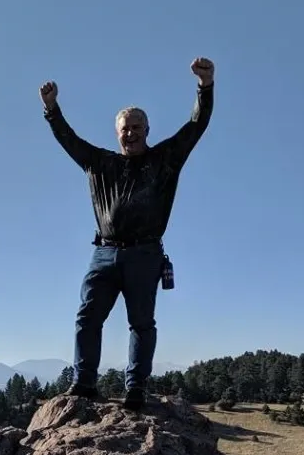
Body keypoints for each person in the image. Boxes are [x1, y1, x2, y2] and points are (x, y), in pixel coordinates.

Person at [39, 57, 214, 410]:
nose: (131, 132)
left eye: (137, 127)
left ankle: (135, 389)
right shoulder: (99, 163)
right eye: (125, 128)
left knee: (141, 323)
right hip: (103, 253)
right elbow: (67, 139)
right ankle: (84, 383)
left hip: (145, 253)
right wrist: (52, 109)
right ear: (116, 132)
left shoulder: (165, 159)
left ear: (147, 131)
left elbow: (196, 125)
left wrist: (205, 86)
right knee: (88, 317)